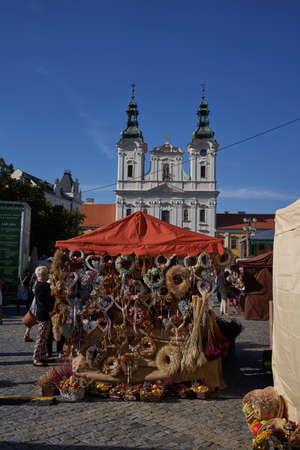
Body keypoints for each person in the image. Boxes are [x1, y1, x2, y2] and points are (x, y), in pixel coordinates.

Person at [32, 266, 54, 367]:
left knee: (45, 335)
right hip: (44, 313)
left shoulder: (38, 285)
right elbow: (46, 301)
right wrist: (50, 310)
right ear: (44, 275)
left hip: (42, 312)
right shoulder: (44, 285)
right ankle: (36, 358)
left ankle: (42, 355)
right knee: (41, 336)